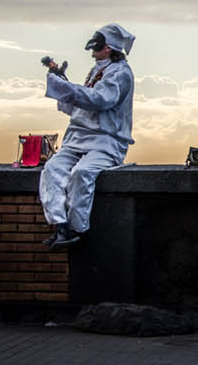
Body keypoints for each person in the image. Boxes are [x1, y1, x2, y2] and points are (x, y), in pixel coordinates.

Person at [39, 23, 136, 249]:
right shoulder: (96, 71)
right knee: (52, 169)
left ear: (109, 48)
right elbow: (81, 105)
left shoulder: (121, 74)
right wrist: (62, 82)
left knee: (82, 173)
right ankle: (60, 225)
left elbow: (100, 100)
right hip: (77, 139)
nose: (92, 50)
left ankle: (76, 228)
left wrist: (68, 89)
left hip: (106, 141)